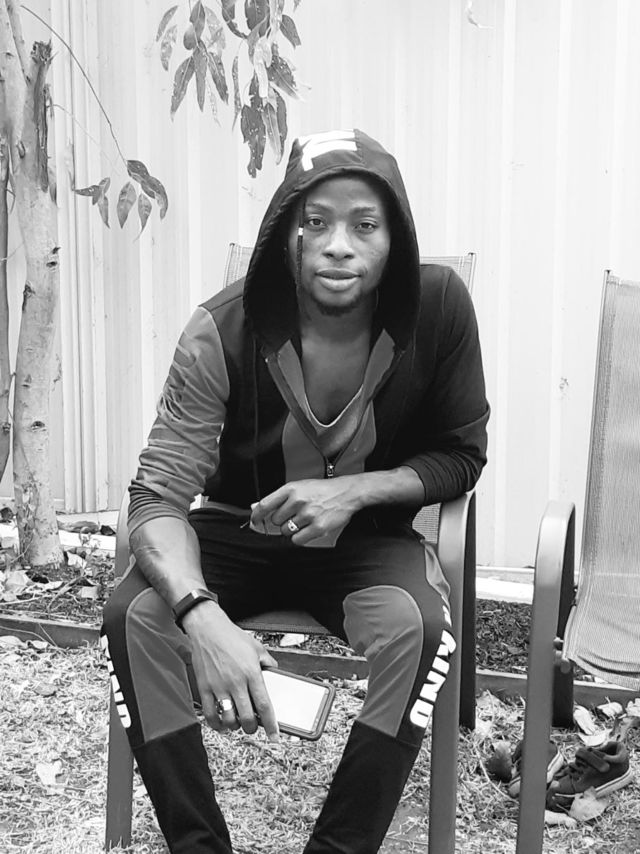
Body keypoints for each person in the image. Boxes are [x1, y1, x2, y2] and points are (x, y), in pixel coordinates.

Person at [101, 128, 489, 854]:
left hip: (367, 544)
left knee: (421, 631)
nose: (339, 245)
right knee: (134, 616)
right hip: (236, 529)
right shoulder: (220, 329)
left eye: (365, 225)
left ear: (395, 238)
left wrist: (354, 493)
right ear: (286, 233)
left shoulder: (437, 307)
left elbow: (461, 455)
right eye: (316, 223)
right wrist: (202, 617)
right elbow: (156, 495)